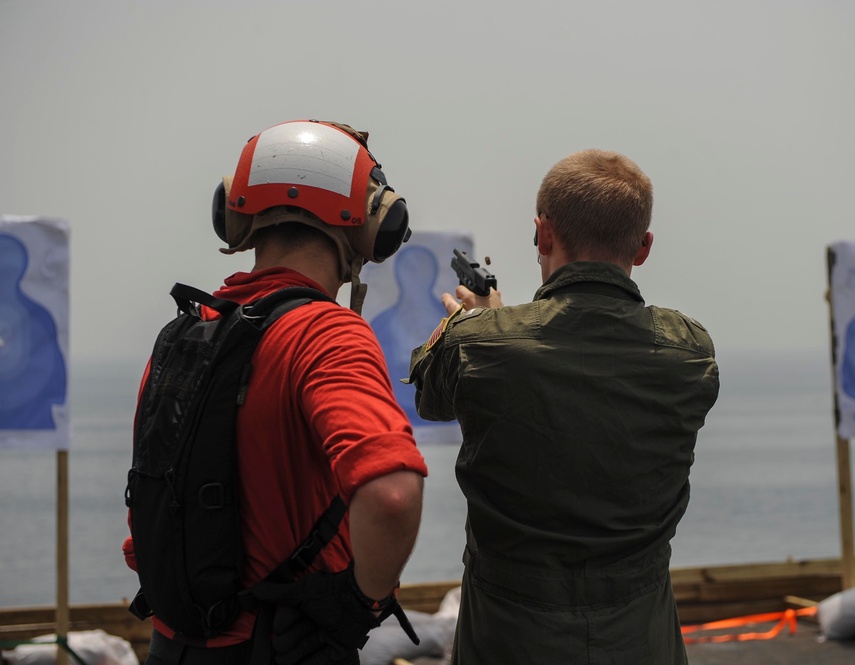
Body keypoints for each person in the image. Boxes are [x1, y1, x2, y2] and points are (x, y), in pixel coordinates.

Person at [123, 119, 428, 665]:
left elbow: (146, 522)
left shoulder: (187, 333)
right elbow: (392, 494)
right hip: (283, 648)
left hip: (171, 646)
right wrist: (359, 601)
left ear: (237, 215)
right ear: (372, 224)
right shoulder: (327, 335)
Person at [408, 149, 720, 664]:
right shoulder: (689, 349)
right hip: (642, 636)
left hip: (509, 637)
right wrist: (498, 328)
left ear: (543, 233)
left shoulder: (478, 343)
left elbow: (430, 395)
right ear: (642, 248)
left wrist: (473, 322)